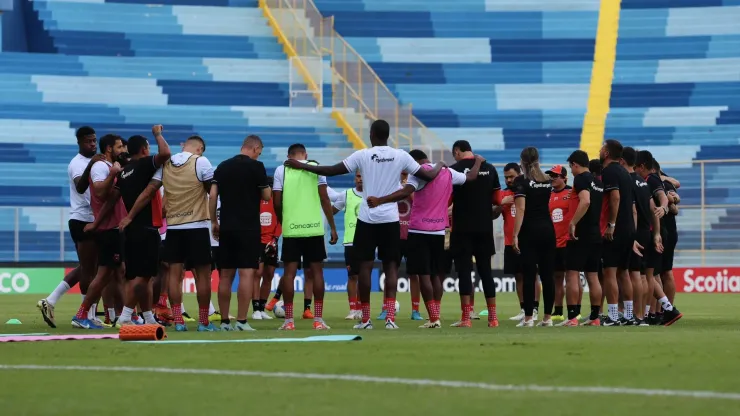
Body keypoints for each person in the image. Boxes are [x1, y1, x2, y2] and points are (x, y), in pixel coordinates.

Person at [285, 119, 443, 329]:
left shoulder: (363, 155)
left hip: (367, 218)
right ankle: (390, 320)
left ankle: (366, 319)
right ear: (388, 135)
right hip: (390, 219)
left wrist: (300, 165)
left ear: (371, 135)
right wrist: (440, 164)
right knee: (391, 268)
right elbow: (429, 175)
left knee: (365, 268)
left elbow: (332, 170)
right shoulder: (401, 155)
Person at [373, 150, 483, 328]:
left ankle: (433, 319)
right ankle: (435, 315)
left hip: (419, 230)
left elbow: (405, 193)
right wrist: (477, 162)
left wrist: (381, 200)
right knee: (435, 276)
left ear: (414, 161)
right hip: (439, 231)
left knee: (423, 275)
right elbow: (470, 178)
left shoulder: (418, 173)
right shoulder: (448, 172)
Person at [37, 127, 102, 328]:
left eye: (94, 140)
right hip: (83, 219)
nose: (92, 144)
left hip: (92, 218)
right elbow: (81, 187)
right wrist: (92, 164)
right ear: (80, 142)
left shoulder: (94, 162)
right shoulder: (77, 164)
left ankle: (52, 302)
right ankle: (85, 315)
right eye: (88, 141)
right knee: (89, 270)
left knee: (91, 268)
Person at [274, 143, 338, 330]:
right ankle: (318, 319)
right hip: (314, 228)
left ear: (289, 155)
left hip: (292, 229)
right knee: (317, 273)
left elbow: (277, 201)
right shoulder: (316, 167)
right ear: (306, 154)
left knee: (289, 274)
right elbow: (325, 199)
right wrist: (332, 228)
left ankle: (289, 322)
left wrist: (283, 220)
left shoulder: (281, 170)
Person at [210, 135, 271, 331]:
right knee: (246, 274)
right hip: (249, 227)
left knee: (225, 276)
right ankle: (242, 321)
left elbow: (212, 195)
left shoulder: (222, 166)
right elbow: (266, 195)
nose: (258, 155)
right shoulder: (257, 167)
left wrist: (214, 221)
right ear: (255, 149)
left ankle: (225, 322)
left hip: (227, 227)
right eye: (258, 152)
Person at [72, 134, 128, 329]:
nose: (124, 150)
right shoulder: (100, 167)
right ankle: (82, 314)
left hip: (113, 227)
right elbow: (100, 192)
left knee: (119, 271)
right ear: (110, 149)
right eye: (120, 147)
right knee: (103, 274)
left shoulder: (110, 166)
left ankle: (125, 315)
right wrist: (113, 174)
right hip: (108, 229)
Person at [116, 127, 171, 324]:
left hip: (132, 231)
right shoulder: (144, 165)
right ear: (144, 149)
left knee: (142, 277)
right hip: (146, 227)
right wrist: (157, 133)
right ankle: (125, 316)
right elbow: (165, 153)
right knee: (143, 277)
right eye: (148, 146)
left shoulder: (123, 173)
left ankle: (148, 317)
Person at [162, 135, 217, 332]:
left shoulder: (166, 162)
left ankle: (178, 321)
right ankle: (203, 322)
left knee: (174, 276)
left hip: (174, 227)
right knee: (203, 276)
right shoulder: (201, 161)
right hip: (197, 226)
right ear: (200, 148)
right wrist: (215, 221)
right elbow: (213, 192)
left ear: (184, 145)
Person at [447, 140, 502, 327]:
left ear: (457, 151)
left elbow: (448, 199)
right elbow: (497, 199)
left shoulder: (453, 169)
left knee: (464, 272)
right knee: (486, 271)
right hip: (484, 226)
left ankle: (465, 318)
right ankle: (493, 318)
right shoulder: (490, 168)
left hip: (462, 227)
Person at [635, 151, 682, 326]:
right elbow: (671, 197)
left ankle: (659, 312)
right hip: (659, 230)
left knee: (653, 273)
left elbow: (667, 200)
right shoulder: (655, 180)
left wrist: (665, 205)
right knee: (654, 274)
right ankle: (660, 311)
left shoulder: (653, 179)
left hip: (659, 231)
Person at [512, 147, 556, 327]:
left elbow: (521, 209)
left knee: (529, 275)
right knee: (547, 275)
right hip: (547, 230)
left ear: (522, 161)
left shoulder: (521, 181)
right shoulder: (547, 179)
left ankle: (529, 318)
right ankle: (547, 318)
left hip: (529, 231)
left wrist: (515, 235)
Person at [563, 150, 604, 326]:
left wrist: (573, 223)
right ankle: (595, 317)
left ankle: (573, 317)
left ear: (575, 164)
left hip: (580, 234)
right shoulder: (597, 182)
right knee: (593, 277)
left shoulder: (580, 179)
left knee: (572, 274)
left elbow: (585, 201)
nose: (571, 171)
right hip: (595, 233)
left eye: (570, 167)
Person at [377, 172, 424, 321]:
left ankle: (415, 310)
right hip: (393, 236)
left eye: (406, 174)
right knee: (390, 273)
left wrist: (408, 190)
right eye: (401, 174)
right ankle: (386, 308)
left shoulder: (415, 187)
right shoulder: (390, 187)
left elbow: (419, 205)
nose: (403, 177)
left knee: (414, 274)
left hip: (412, 236)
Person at [599, 140, 635, 326]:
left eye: (601, 147)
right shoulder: (625, 173)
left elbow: (615, 197)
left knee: (610, 272)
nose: (599, 149)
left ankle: (613, 316)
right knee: (624, 272)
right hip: (628, 228)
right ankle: (629, 315)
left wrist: (611, 224)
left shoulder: (609, 172)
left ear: (606, 153)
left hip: (616, 229)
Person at [499, 163, 541, 321]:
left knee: (532, 275)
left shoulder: (528, 191)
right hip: (510, 241)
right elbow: (493, 214)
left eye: (511, 176)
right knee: (518, 276)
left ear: (519, 174)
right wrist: (502, 203)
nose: (509, 180)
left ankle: (534, 309)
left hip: (528, 240)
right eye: (506, 177)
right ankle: (524, 309)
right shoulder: (504, 194)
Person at [621, 147, 653, 326]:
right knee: (641, 275)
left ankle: (635, 315)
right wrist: (654, 233)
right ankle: (641, 315)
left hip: (634, 231)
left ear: (622, 161)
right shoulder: (642, 181)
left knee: (632, 273)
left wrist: (631, 235)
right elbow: (651, 208)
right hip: (645, 231)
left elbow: (633, 210)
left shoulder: (626, 181)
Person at [333, 172, 364, 320]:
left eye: (363, 176)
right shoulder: (346, 194)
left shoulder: (374, 196)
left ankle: (362, 308)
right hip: (350, 241)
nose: (361, 179)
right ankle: (353, 309)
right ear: (354, 178)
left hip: (367, 242)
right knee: (352, 277)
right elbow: (331, 211)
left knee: (364, 277)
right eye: (358, 176)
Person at [545, 165, 574, 323]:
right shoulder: (547, 195)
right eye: (551, 175)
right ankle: (558, 310)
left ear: (564, 177)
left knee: (571, 277)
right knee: (556, 278)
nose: (553, 178)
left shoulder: (571, 193)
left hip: (567, 242)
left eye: (556, 175)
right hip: (552, 243)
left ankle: (573, 311)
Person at [254, 176, 281, 319]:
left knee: (269, 274)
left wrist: (275, 239)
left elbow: (281, 221)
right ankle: (255, 309)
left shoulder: (277, 202)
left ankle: (263, 307)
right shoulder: (255, 201)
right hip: (258, 241)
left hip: (272, 242)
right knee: (257, 273)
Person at [656, 159, 680, 304]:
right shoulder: (662, 181)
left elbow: (675, 201)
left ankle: (667, 310)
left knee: (662, 272)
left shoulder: (662, 182)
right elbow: (675, 204)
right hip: (665, 230)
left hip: (666, 230)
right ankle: (663, 311)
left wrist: (671, 202)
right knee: (661, 272)